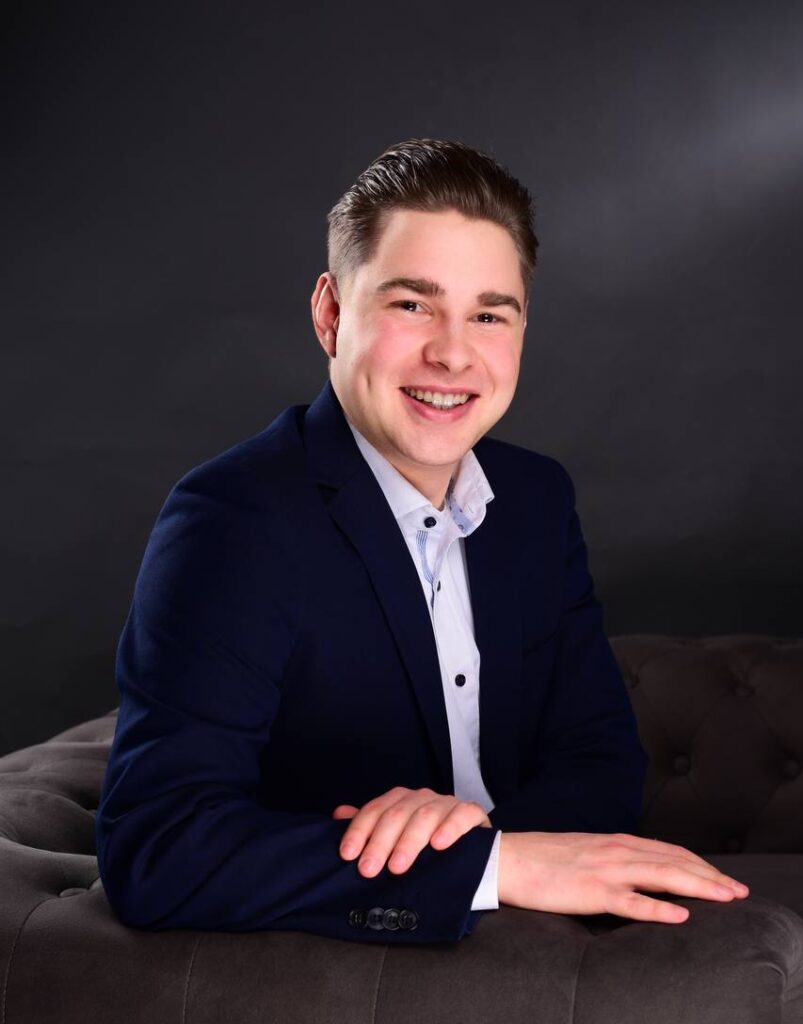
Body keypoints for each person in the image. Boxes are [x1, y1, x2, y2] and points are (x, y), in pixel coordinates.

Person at [95, 138, 749, 944]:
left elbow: (600, 759)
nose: (452, 352)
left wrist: (484, 844)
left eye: (488, 315)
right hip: (348, 966)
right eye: (412, 305)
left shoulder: (535, 499)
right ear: (330, 314)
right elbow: (158, 850)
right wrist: (488, 867)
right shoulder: (232, 521)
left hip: (533, 938)